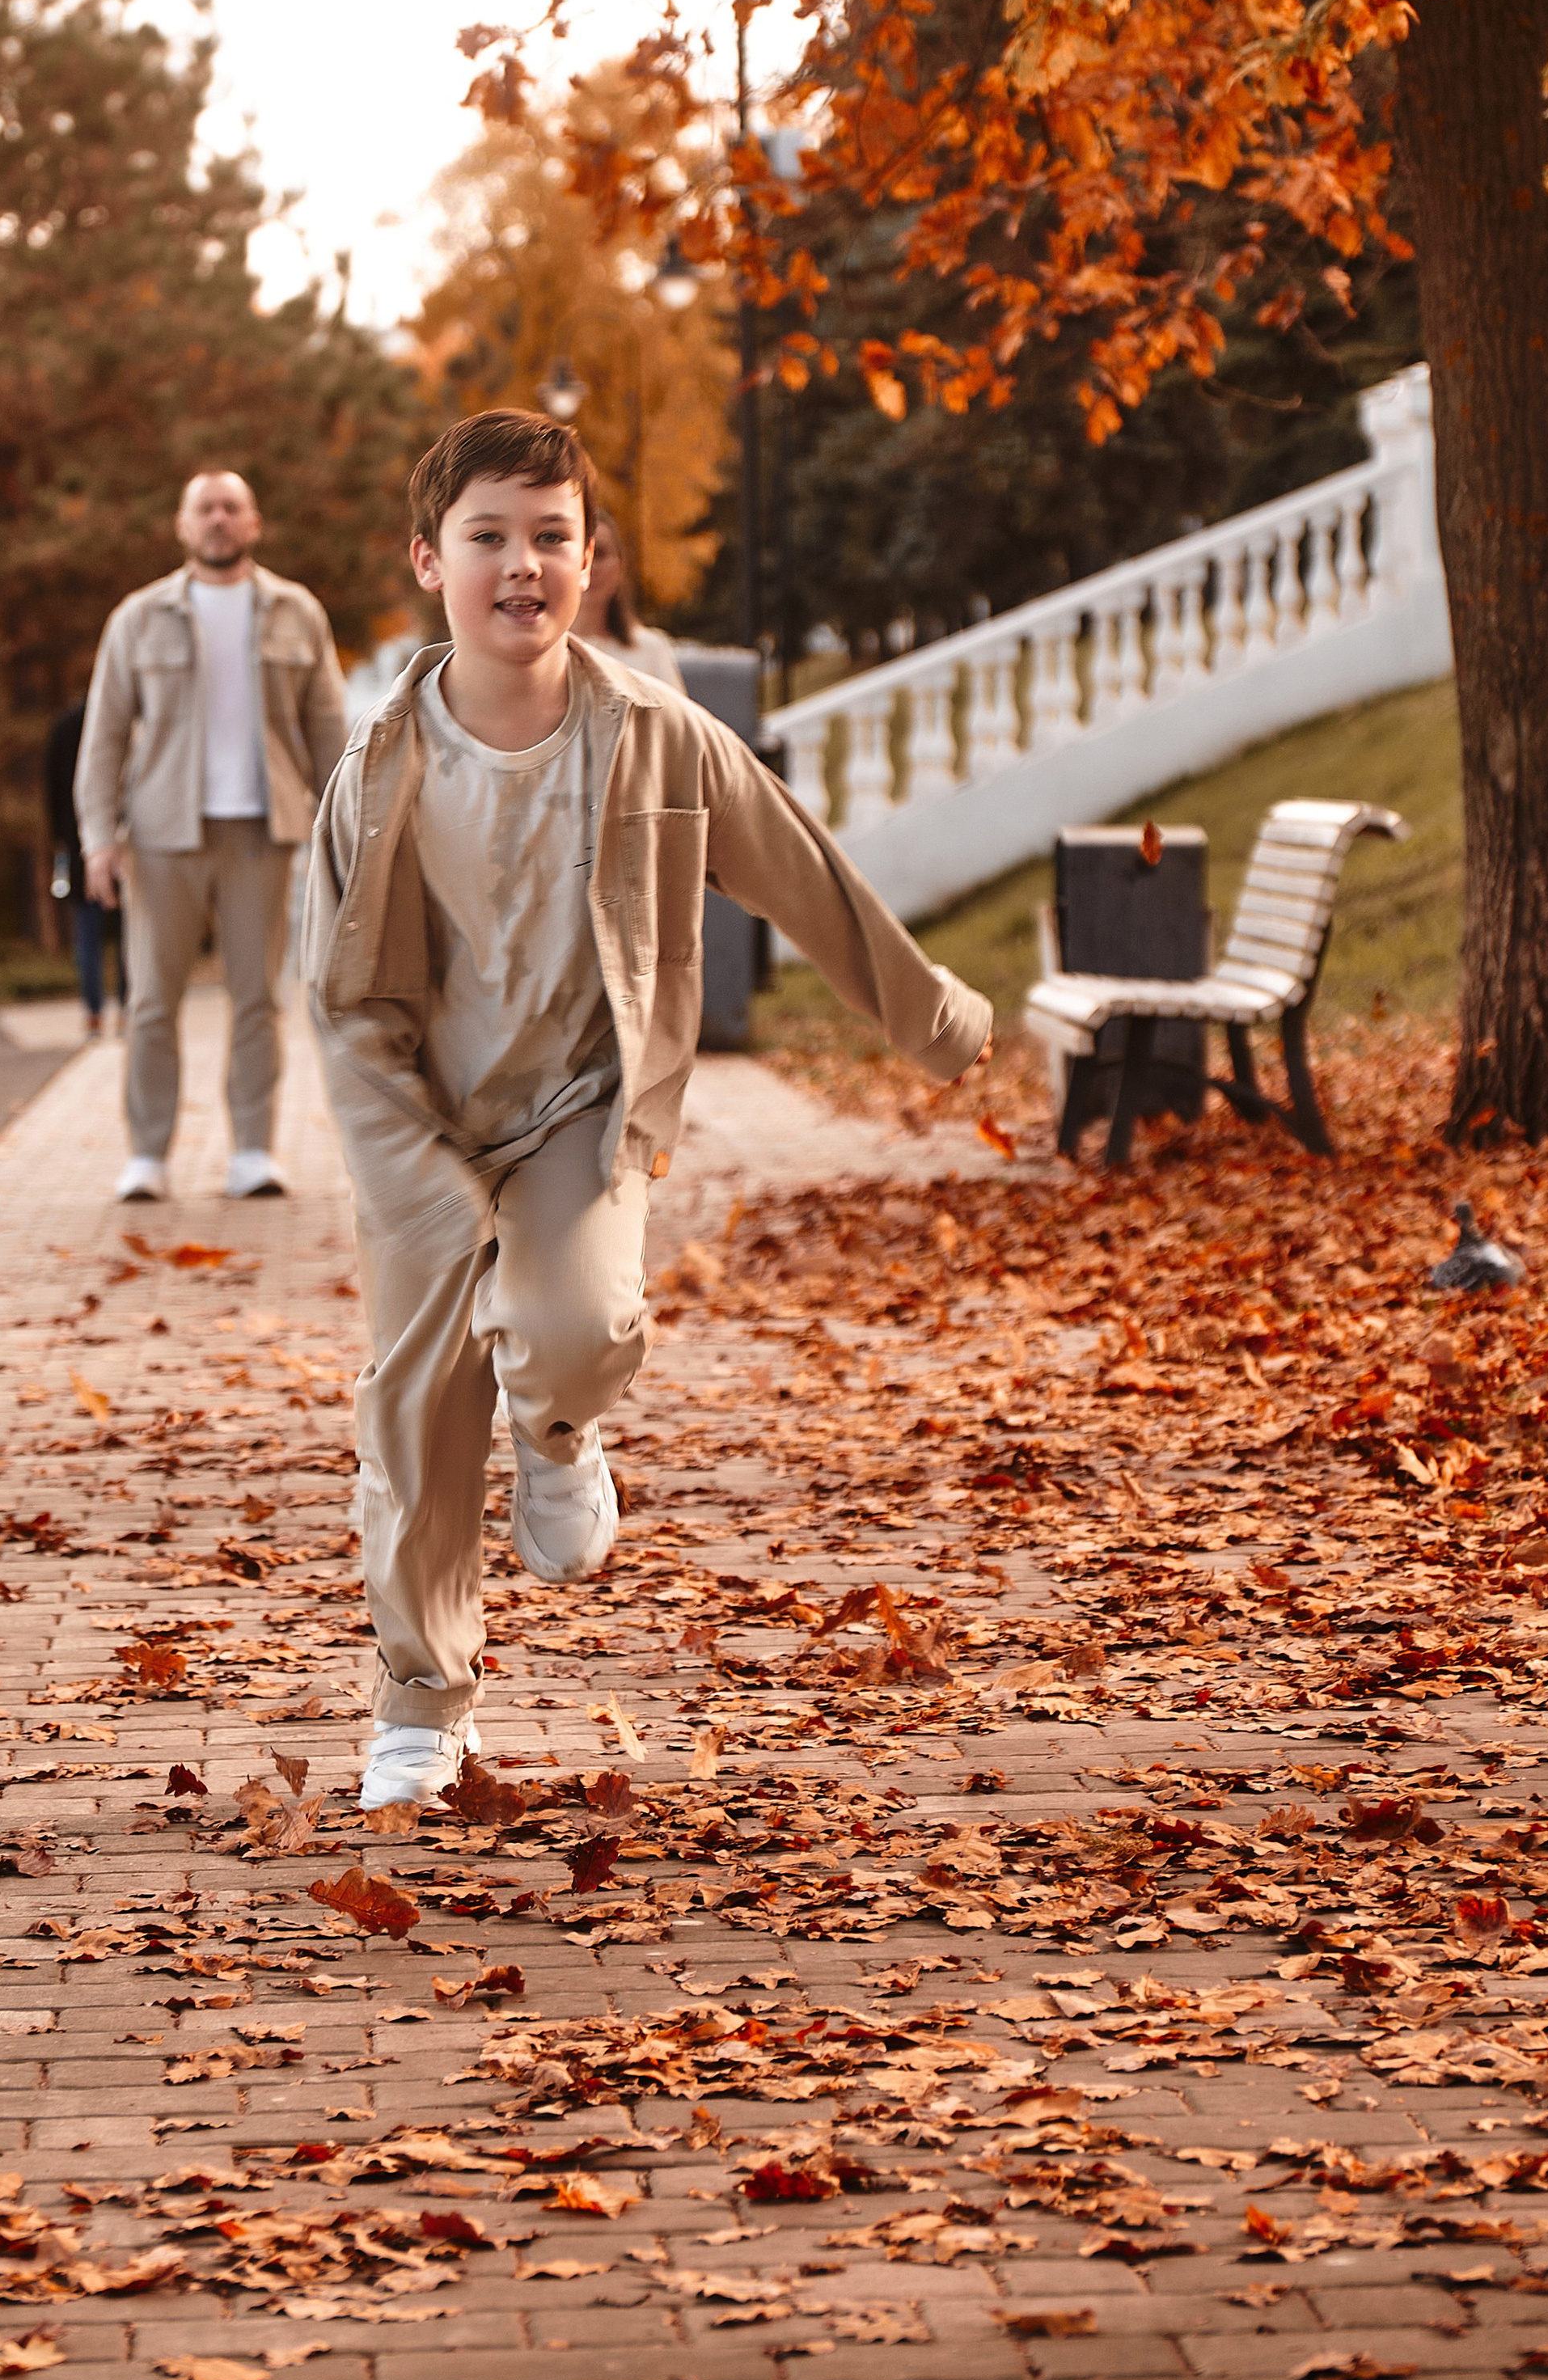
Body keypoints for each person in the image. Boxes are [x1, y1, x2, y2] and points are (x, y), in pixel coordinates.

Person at [306, 406, 993, 1809]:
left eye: (550, 538)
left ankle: (559, 1433)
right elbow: (339, 995)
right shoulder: (378, 770)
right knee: (419, 1406)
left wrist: (933, 1020)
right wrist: (407, 1164)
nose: (522, 566)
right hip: (420, 1118)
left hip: (580, 1105)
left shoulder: (658, 738)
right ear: (427, 561)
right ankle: (423, 1706)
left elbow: (802, 871)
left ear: (591, 562)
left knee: (579, 1325)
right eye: (488, 537)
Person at [76, 469, 349, 1202]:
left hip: (263, 832)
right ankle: (147, 1157)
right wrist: (100, 836)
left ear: (254, 523)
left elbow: (329, 729)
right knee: (151, 1002)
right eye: (206, 509)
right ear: (183, 525)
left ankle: (253, 1152)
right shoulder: (138, 617)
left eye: (232, 508)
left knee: (259, 997)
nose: (219, 520)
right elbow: (103, 736)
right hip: (164, 837)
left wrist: (350, 827)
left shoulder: (297, 613)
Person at [43, 700, 124, 1036]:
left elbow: (51, 791)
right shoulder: (121, 723)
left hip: (78, 844)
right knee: (126, 934)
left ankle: (94, 1013)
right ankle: (126, 1007)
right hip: (121, 840)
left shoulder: (64, 727)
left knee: (87, 936)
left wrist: (61, 838)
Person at [574, 507, 686, 690]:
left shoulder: (651, 650)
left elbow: (675, 718)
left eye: (600, 554)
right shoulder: (540, 653)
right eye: (580, 556)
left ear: (620, 566)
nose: (589, 568)